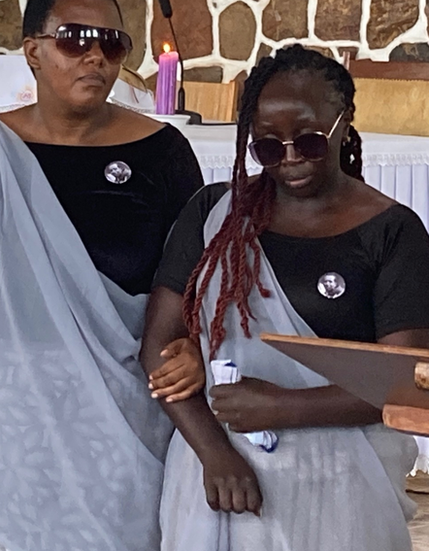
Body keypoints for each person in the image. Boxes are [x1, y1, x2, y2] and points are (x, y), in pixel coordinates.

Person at [0, 0, 206, 549]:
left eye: (113, 42)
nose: (96, 55)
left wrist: (193, 351)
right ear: (33, 51)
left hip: (118, 427)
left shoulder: (164, 154)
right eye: (75, 39)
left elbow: (199, 295)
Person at [141, 44, 429, 550]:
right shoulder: (216, 214)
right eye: (269, 147)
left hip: (341, 487)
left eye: (309, 141)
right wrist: (214, 453)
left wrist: (282, 406)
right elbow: (159, 346)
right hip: (217, 476)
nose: (290, 158)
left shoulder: (391, 232)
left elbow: (405, 381)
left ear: (344, 122)